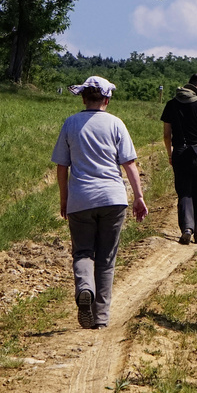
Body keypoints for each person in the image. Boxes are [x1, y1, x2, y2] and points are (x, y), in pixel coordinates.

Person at [53, 76, 148, 329]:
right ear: (107, 99)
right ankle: (101, 318)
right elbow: (129, 164)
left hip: (81, 199)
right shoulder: (116, 124)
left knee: (83, 252)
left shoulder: (70, 124)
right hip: (113, 199)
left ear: (83, 98)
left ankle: (85, 288)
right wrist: (138, 197)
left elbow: (62, 167)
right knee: (106, 258)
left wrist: (65, 198)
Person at [160, 73, 197, 244]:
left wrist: (170, 154)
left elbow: (166, 135)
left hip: (180, 152)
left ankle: (187, 228)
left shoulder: (171, 104)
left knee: (184, 193)